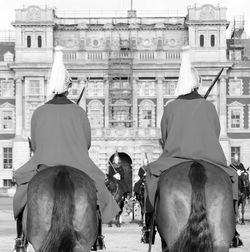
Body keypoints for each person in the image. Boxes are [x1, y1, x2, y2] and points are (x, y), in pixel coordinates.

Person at [13, 46, 120, 250]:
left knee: (23, 187)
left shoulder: (39, 112)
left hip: (43, 162)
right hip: (78, 163)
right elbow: (86, 143)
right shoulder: (79, 112)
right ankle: (97, 236)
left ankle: (20, 237)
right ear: (68, 88)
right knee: (97, 191)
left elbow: (34, 144)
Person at [141, 46, 238, 243]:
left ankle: (148, 226)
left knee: (150, 177)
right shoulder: (209, 106)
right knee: (234, 178)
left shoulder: (170, 107)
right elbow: (215, 133)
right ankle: (232, 227)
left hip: (174, 158)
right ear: (197, 84)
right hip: (209, 156)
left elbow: (165, 137)